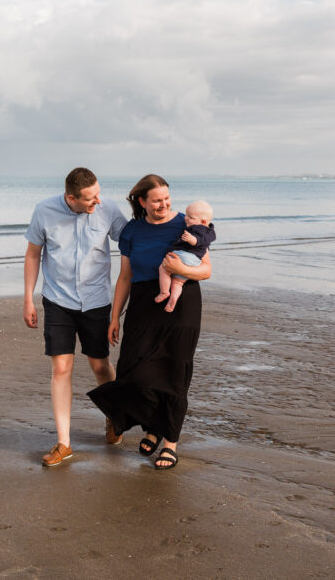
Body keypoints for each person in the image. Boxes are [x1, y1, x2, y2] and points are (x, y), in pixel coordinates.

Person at [87, 175, 211, 470]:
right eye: (157, 200)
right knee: (134, 368)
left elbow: (206, 270)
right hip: (143, 303)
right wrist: (114, 316)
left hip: (182, 304)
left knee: (174, 370)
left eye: (166, 198)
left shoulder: (187, 223)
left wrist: (180, 268)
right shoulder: (132, 232)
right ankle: (153, 426)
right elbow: (125, 276)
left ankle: (169, 442)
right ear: (142, 202)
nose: (164, 204)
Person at [24, 167, 128, 467]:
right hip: (58, 301)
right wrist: (28, 298)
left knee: (99, 365)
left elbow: (131, 242)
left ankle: (114, 415)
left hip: (96, 301)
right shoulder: (44, 211)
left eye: (98, 194)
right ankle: (64, 443)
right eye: (89, 198)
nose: (97, 201)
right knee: (61, 367)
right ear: (71, 197)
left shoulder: (107, 208)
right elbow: (33, 254)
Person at [154, 201, 215, 313]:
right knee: (178, 282)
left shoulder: (198, 229)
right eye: (186, 215)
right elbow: (206, 240)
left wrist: (192, 240)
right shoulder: (209, 231)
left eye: (190, 217)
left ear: (203, 221)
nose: (186, 218)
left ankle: (164, 292)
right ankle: (173, 298)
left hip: (186, 256)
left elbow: (199, 240)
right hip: (195, 261)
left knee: (163, 268)